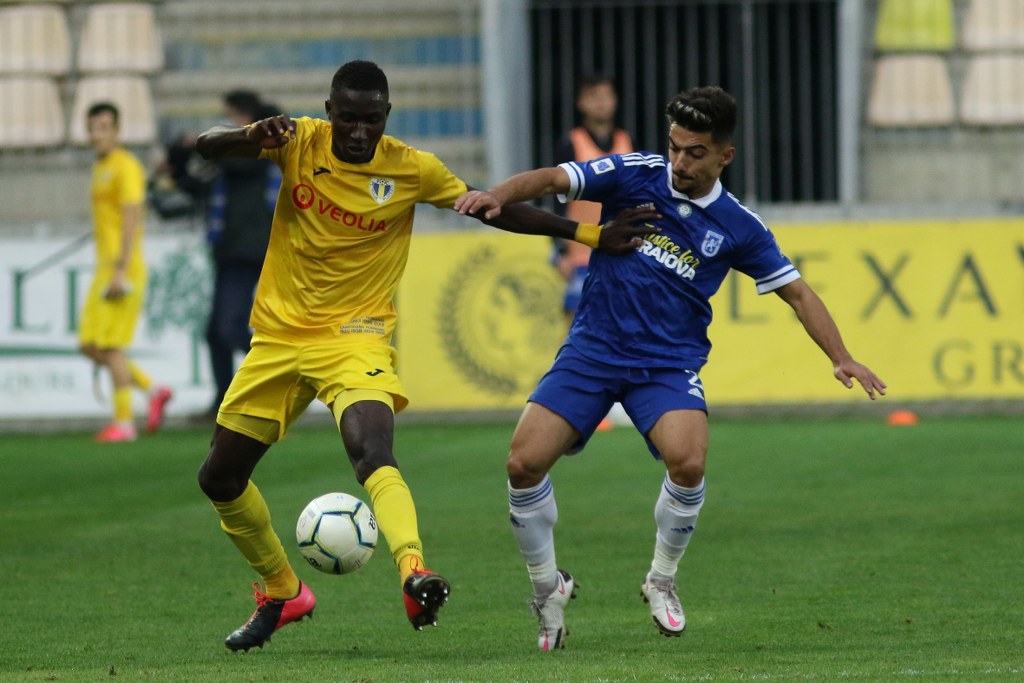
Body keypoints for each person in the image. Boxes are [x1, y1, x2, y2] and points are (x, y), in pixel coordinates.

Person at [193, 59, 655, 652]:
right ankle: (282, 590)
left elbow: (493, 208)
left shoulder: (412, 169)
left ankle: (414, 571)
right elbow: (206, 149)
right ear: (330, 113)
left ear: (387, 117)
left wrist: (589, 236)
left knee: (370, 447)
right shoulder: (298, 141)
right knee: (220, 477)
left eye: (371, 121)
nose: (359, 133)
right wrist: (246, 135)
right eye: (348, 120)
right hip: (278, 339)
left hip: (354, 336)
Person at [454, 85, 887, 651]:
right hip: (592, 350)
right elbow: (555, 179)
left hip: (666, 363)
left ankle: (661, 579)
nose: (680, 162)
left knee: (689, 462)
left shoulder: (740, 227)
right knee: (521, 463)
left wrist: (841, 357)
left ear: (724, 156)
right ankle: (547, 589)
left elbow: (800, 294)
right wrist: (496, 193)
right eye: (676, 147)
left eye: (695, 152)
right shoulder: (636, 172)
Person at [79, 102, 173, 443]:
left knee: (111, 346)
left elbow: (132, 216)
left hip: (121, 269)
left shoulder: (126, 166)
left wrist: (120, 269)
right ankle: (153, 390)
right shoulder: (101, 167)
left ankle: (124, 422)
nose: (97, 135)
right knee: (90, 345)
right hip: (104, 268)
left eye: (104, 127)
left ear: (117, 131)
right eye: (93, 128)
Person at [198, 90, 282, 420]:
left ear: (246, 115)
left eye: (231, 116)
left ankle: (278, 374)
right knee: (215, 332)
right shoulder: (240, 154)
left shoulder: (256, 148)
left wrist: (204, 144)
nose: (227, 124)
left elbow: (227, 159)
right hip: (230, 250)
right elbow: (208, 178)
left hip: (246, 250)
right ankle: (223, 400)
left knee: (228, 328)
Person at [552, 74, 635, 325]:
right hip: (580, 250)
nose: (601, 103)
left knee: (622, 319)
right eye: (593, 97)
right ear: (581, 103)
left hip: (621, 248)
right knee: (576, 320)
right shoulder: (571, 143)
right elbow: (558, 201)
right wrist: (561, 250)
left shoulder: (627, 141)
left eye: (606, 96)